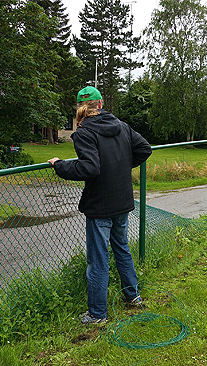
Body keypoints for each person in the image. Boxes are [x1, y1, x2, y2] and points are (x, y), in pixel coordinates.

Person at [48, 86, 152, 325]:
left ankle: (97, 314)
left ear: (79, 109)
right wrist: (121, 166)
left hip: (100, 205)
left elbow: (89, 168)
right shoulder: (121, 126)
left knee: (98, 259)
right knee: (122, 249)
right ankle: (132, 296)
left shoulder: (85, 132)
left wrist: (59, 166)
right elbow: (144, 149)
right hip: (122, 200)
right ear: (101, 104)